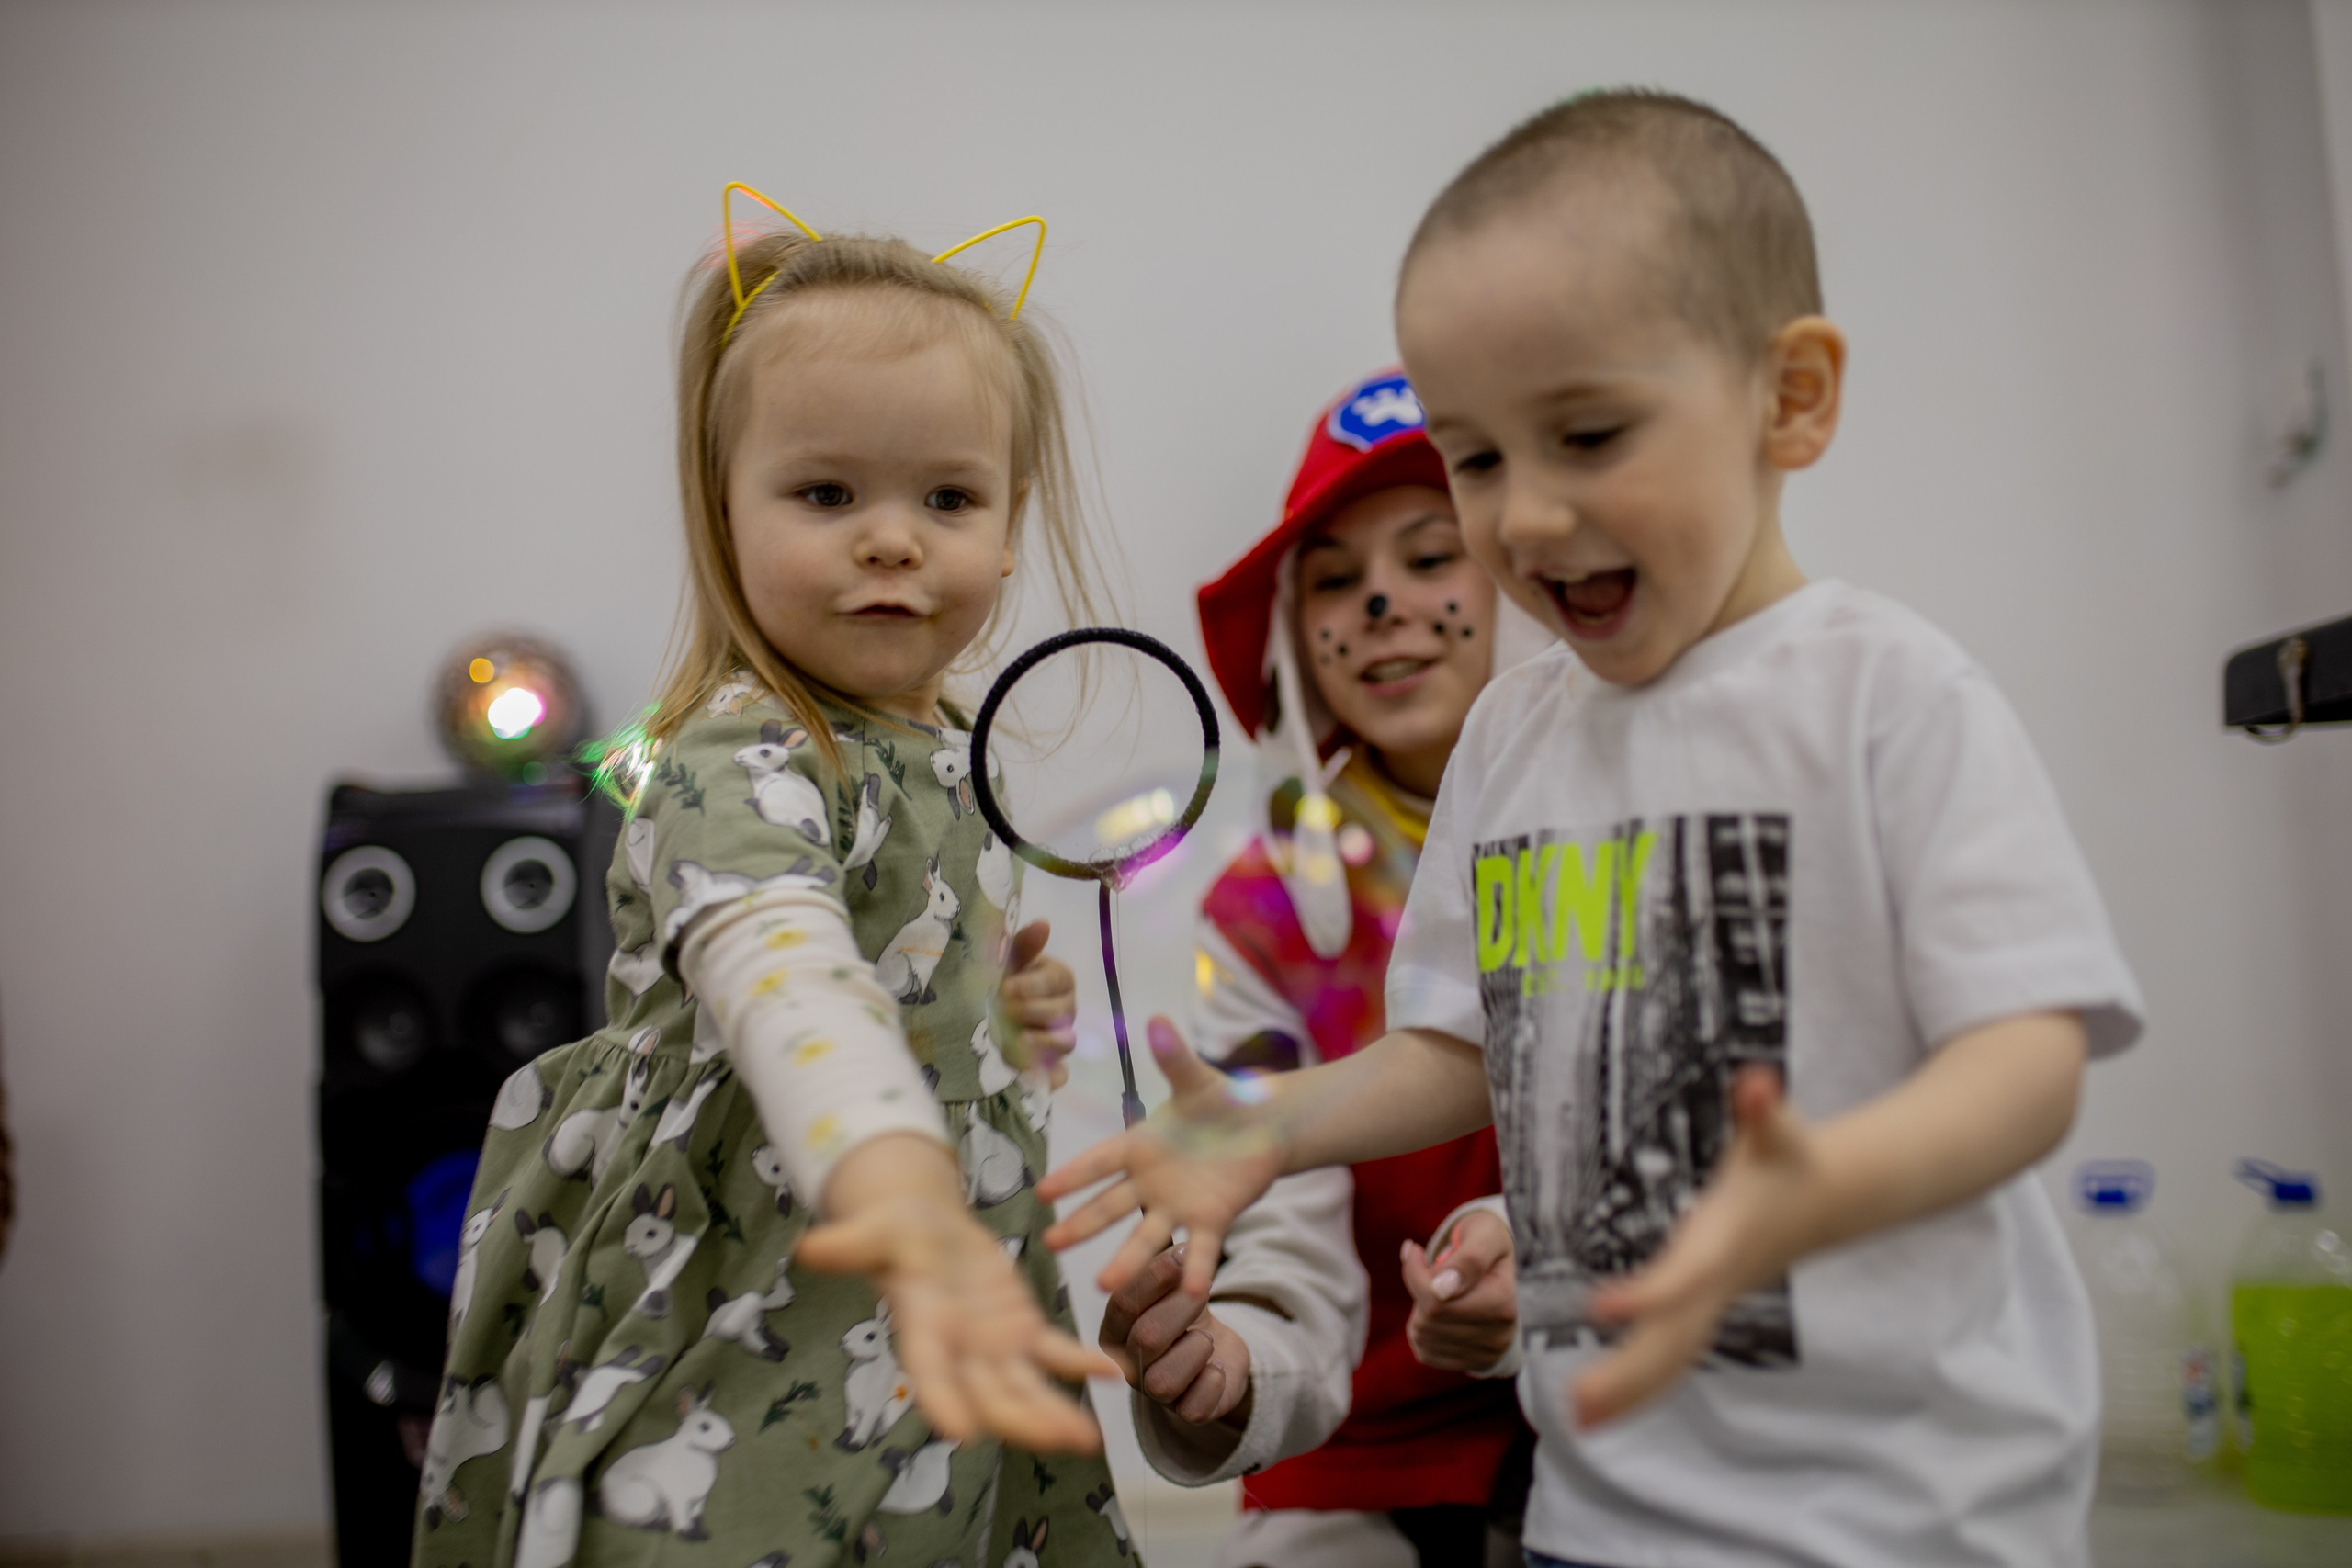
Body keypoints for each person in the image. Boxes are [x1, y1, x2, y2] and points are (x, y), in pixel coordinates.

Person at [1045, 89, 2143, 1568]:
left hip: (1903, 1509)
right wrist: (1270, 1121)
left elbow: (2029, 1060)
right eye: (1479, 459)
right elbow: (1456, 1048)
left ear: (1790, 398)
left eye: (1588, 434)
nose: (1528, 518)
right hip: (1602, 1506)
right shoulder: (1514, 740)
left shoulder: (1889, 697)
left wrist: (1827, 1184)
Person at [413, 198, 1135, 1568]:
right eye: (827, 495)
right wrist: (900, 1182)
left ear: (1009, 525)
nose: (892, 540)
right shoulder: (738, 753)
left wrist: (994, 1004)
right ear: (722, 509)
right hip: (752, 1276)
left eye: (948, 499)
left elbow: (900, 973)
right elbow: (780, 964)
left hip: (939, 1266)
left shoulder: (938, 747)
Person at [1099, 370, 1536, 1568]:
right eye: (1336, 582)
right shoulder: (1267, 918)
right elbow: (1290, 1255)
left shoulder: (1628, 839)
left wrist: (1534, 1266)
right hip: (1358, 1453)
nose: (1383, 601)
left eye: (1431, 557)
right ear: (1298, 642)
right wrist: (1231, 1369)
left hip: (1625, 1405)